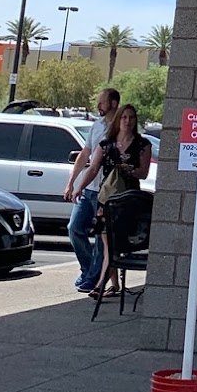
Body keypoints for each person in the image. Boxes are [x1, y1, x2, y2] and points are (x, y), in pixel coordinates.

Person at [76, 102, 153, 299]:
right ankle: (109, 284)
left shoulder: (142, 145)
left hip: (129, 200)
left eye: (131, 118)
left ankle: (105, 284)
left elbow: (144, 173)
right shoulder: (106, 144)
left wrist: (129, 169)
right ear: (118, 120)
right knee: (108, 243)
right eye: (124, 117)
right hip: (107, 199)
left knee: (117, 243)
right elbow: (93, 168)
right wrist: (79, 187)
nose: (127, 121)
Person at [64, 88, 119, 292]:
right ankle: (88, 269)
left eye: (102, 102)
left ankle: (94, 278)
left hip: (107, 191)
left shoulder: (119, 126)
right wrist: (72, 182)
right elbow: (85, 154)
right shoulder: (97, 125)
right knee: (74, 228)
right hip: (89, 190)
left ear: (113, 103)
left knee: (101, 238)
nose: (98, 106)